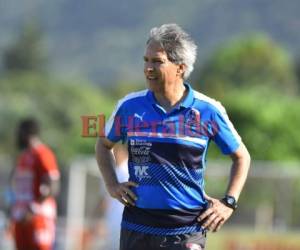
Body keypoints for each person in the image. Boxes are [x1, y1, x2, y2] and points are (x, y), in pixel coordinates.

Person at [95, 23, 251, 250]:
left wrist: (229, 202)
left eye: (157, 61)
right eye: (146, 60)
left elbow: (242, 157)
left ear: (180, 68)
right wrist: (111, 185)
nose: (148, 68)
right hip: (137, 228)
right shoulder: (129, 106)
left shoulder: (208, 110)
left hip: (185, 231)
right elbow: (103, 145)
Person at [10, 118, 60, 250]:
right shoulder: (24, 156)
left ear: (26, 132)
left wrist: (33, 209)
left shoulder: (43, 154)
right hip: (21, 217)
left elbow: (53, 186)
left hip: (38, 217)